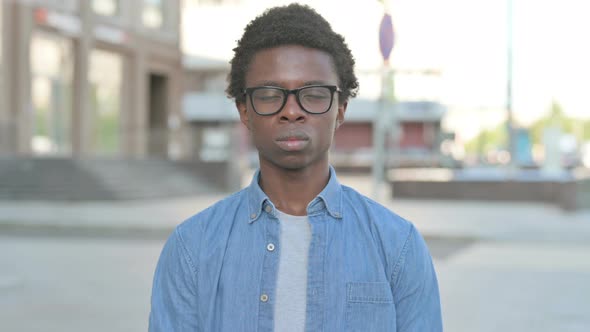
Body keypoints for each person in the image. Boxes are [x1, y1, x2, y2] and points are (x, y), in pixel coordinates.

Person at [149, 3, 442, 331]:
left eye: (314, 94)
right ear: (244, 110)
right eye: (271, 94)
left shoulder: (397, 244)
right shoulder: (193, 246)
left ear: (341, 109)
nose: (291, 111)